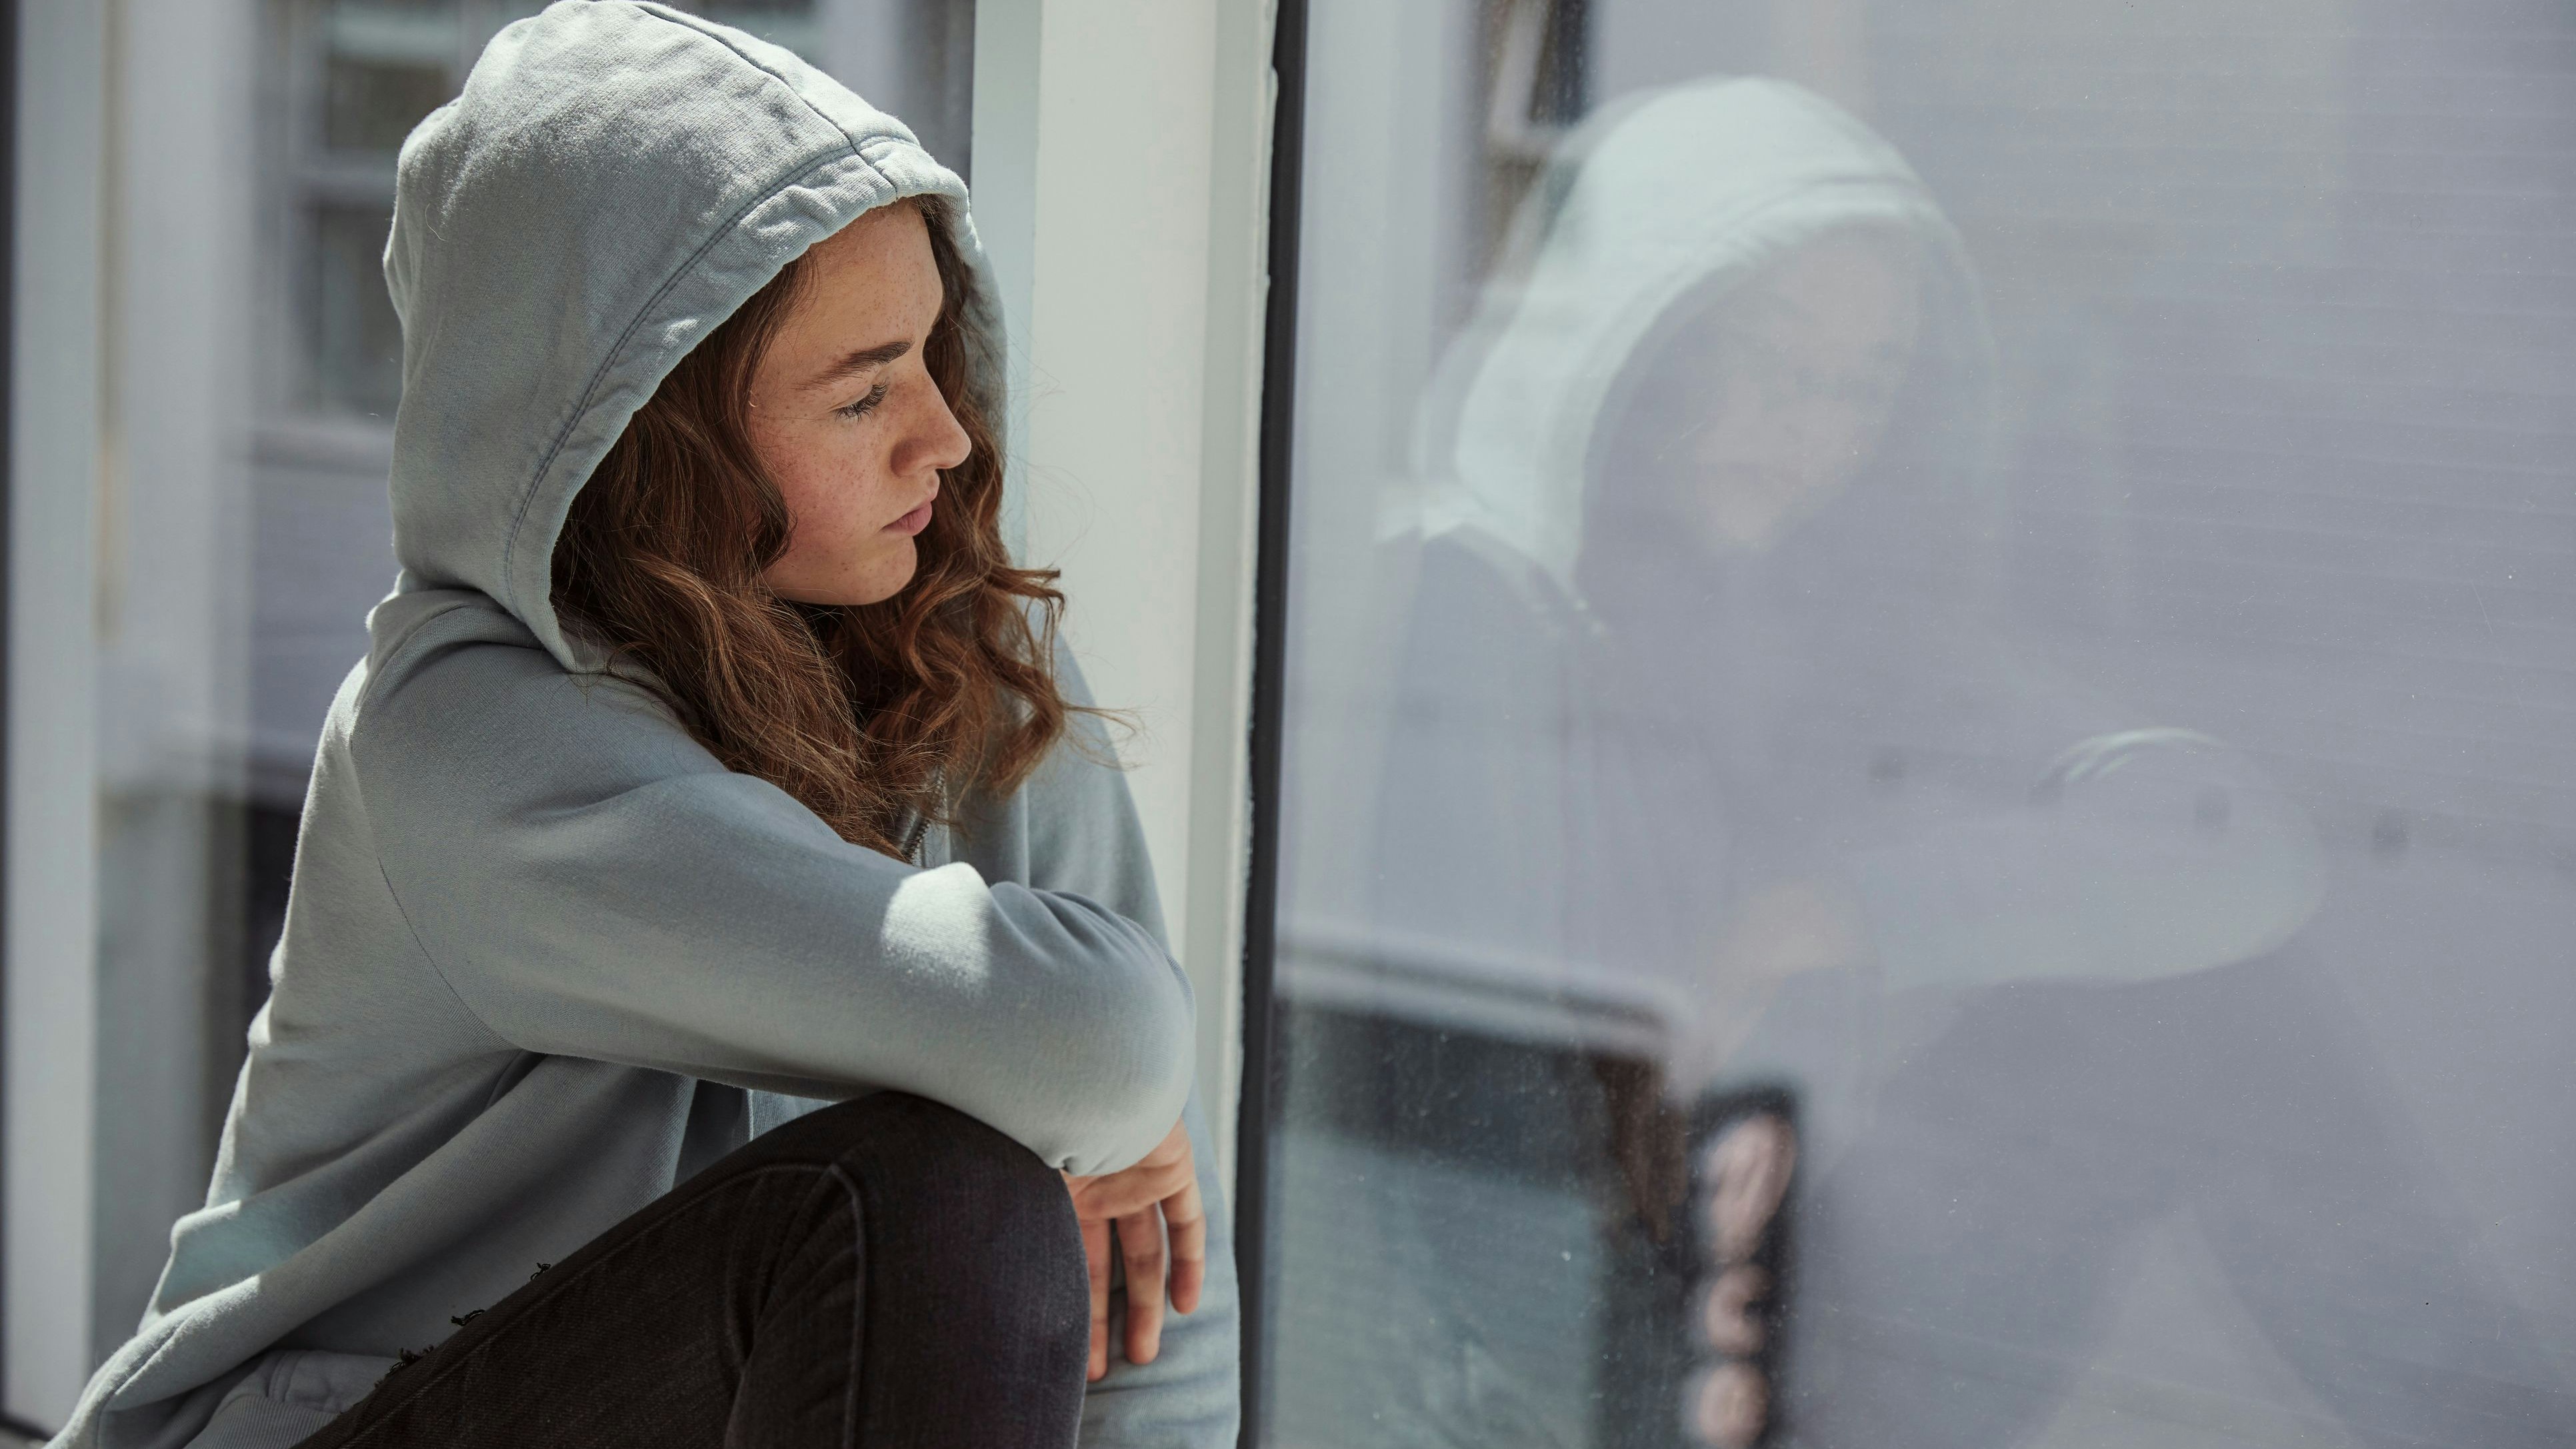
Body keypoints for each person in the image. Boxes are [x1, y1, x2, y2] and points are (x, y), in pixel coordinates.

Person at [1318, 74, 2566, 1447]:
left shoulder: (1826, 617)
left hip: (1792, 1248)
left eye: (1860, 389)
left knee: (2212, 1010)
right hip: (1624, 1368)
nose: (1811, 428)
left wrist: (1849, 914)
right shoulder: (1481, 613)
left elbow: (2241, 853)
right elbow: (1483, 1215)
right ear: (1638, 339)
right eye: (1769, 360)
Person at [50, 6, 1237, 1448]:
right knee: (933, 1199)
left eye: (933, 355)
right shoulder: (457, 738)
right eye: (865, 389)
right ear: (646, 435)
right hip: (330, 1427)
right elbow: (1103, 1050)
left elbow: (1152, 1275)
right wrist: (1094, 1083)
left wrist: (1104, 1085)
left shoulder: (955, 654)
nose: (951, 437)